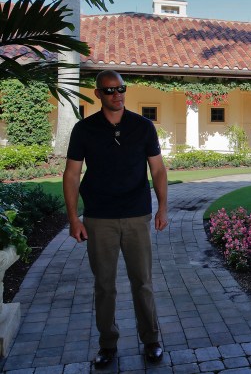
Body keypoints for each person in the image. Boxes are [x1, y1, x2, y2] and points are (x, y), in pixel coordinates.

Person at [63, 70, 169, 368]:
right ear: (98, 94)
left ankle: (151, 340)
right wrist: (74, 219)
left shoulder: (143, 126)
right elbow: (72, 175)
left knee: (142, 282)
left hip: (137, 215)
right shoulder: (84, 130)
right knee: (104, 285)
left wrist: (163, 208)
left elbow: (158, 169)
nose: (116, 94)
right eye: (109, 90)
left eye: (121, 88)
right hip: (99, 218)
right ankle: (107, 345)